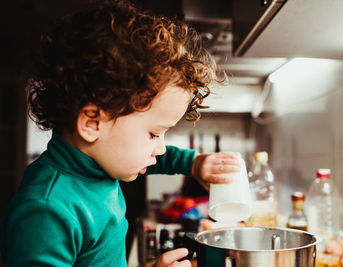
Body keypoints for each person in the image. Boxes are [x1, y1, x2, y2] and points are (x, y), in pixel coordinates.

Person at [0, 0, 240, 266]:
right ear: (93, 124)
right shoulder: (48, 211)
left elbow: (149, 157)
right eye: (153, 134)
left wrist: (194, 164)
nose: (160, 148)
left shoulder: (95, 165)